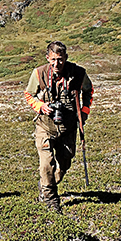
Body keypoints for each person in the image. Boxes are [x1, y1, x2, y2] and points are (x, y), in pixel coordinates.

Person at [24, 41, 93, 212]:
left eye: (60, 59)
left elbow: (88, 91)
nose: (56, 64)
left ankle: (46, 184)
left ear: (66, 58)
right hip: (45, 126)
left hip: (68, 126)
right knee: (46, 163)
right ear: (48, 58)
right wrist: (40, 106)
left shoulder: (78, 73)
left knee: (64, 163)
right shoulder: (39, 73)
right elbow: (28, 95)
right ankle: (50, 198)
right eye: (53, 59)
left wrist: (83, 113)